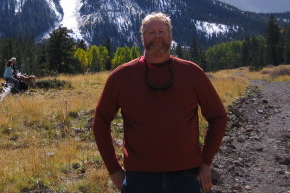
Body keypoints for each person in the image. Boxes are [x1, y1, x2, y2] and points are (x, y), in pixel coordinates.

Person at [92, 12, 227, 193]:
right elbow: (100, 121)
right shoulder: (122, 76)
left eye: (161, 31)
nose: (157, 36)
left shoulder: (192, 73)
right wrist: (114, 171)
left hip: (186, 177)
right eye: (151, 32)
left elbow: (218, 117)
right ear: (142, 38)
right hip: (139, 179)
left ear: (170, 36)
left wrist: (206, 162)